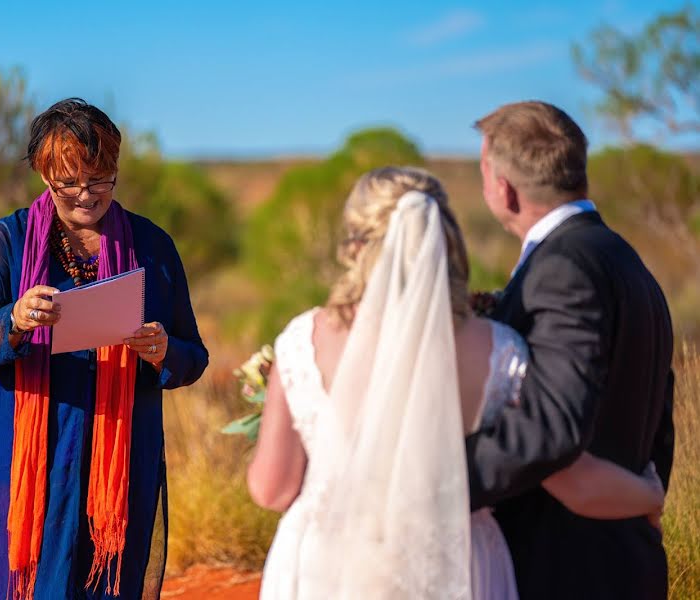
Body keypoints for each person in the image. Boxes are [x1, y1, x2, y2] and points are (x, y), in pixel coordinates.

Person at [247, 166, 665, 599]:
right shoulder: (499, 350)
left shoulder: (304, 340)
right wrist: (647, 494)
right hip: (458, 564)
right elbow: (573, 481)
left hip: (325, 567)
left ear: (355, 244)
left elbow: (271, 488)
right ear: (443, 242)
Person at [0, 98, 208, 600]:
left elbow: (193, 356)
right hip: (26, 457)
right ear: (45, 176)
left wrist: (161, 351)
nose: (86, 195)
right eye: (69, 181)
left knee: (106, 582)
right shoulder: (6, 242)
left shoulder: (153, 247)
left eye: (100, 178)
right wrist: (15, 321)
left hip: (120, 458)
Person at [465, 101, 675, 599]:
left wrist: (434, 478)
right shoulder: (624, 260)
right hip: (621, 555)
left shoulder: (564, 268)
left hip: (565, 567)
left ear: (504, 187)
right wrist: (639, 502)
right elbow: (658, 414)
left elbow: (550, 428)